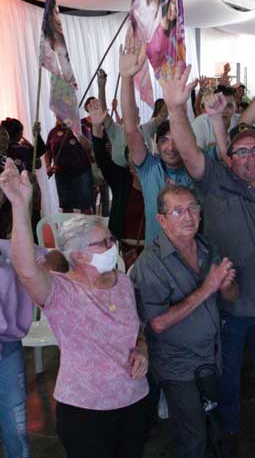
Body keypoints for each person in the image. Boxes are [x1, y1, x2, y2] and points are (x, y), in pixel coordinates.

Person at [158, 65, 255, 452]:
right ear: (229, 158)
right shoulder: (215, 180)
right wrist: (177, 109)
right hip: (227, 302)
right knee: (228, 371)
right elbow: (188, 151)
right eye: (241, 152)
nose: (249, 158)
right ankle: (229, 427)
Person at [0, 158, 150, 458]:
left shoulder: (121, 282)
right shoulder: (61, 291)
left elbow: (136, 331)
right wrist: (19, 205)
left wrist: (143, 349)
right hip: (86, 410)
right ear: (78, 255)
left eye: (110, 240)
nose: (112, 248)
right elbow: (27, 270)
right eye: (101, 244)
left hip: (133, 400)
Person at [131, 185, 238, 458]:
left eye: (193, 208)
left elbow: (231, 296)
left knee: (213, 423)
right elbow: (157, 324)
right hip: (176, 362)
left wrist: (224, 285)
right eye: (178, 211)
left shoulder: (207, 247)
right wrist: (207, 287)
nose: (188, 216)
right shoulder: (151, 263)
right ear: (161, 220)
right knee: (192, 433)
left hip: (211, 355)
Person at [119, 29, 193, 243]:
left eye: (176, 141)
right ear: (157, 145)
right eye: (164, 141)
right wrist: (126, 79)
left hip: (193, 257)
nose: (170, 147)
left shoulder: (195, 169)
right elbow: (131, 129)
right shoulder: (149, 169)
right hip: (157, 258)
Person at [0, 235, 67, 458]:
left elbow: (55, 259)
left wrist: (49, 266)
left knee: (16, 428)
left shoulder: (8, 249)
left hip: (7, 347)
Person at [89, 100, 146, 269]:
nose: (135, 162)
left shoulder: (155, 178)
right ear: (127, 161)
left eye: (139, 156)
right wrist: (96, 129)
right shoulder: (121, 178)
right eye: (131, 158)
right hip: (124, 254)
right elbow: (102, 159)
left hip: (152, 253)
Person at [45, 116, 95, 214]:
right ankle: (69, 229)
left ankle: (89, 229)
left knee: (85, 207)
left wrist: (76, 131)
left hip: (82, 174)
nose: (59, 116)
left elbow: (88, 146)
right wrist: (48, 166)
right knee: (66, 208)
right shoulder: (53, 132)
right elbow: (47, 151)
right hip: (62, 176)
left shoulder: (81, 128)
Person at [190, 85, 238, 151]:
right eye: (219, 105)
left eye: (229, 106)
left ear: (236, 107)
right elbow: (195, 155)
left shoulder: (240, 121)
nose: (223, 110)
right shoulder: (200, 123)